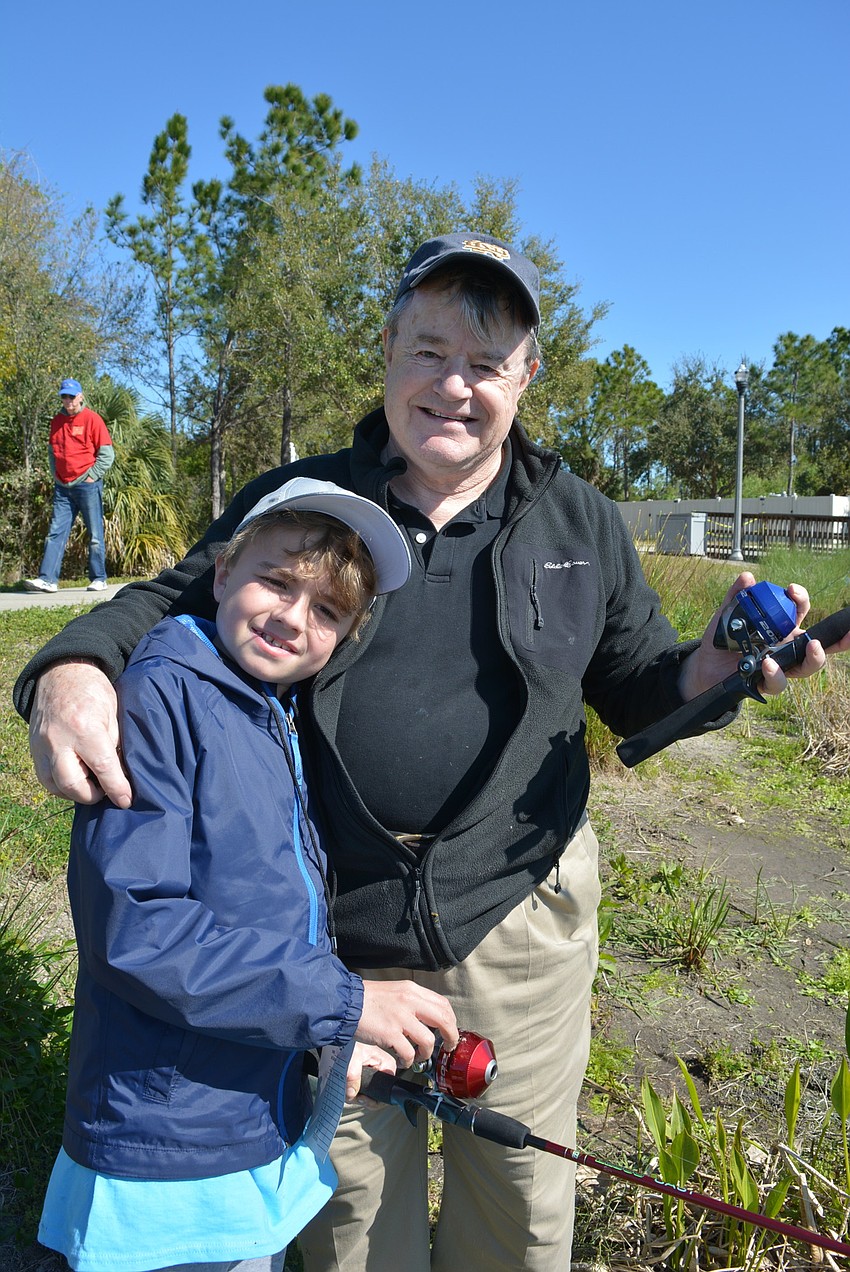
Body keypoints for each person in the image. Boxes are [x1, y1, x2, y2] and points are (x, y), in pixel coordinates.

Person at [14, 233, 850, 1271]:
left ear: (525, 378)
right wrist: (71, 670)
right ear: (387, 352)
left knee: (519, 1198)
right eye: (429, 352)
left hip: (519, 916)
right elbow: (160, 601)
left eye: (486, 364)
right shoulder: (309, 502)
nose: (454, 386)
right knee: (349, 1214)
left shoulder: (579, 516)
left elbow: (641, 686)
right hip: (327, 923)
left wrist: (722, 658)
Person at [36, 476, 458, 1272]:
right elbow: (139, 932)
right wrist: (346, 1003)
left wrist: (327, 1035)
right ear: (224, 572)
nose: (293, 618)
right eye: (277, 581)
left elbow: (265, 910)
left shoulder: (267, 708)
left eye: (328, 610)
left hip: (240, 1114)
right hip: (165, 1135)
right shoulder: (164, 699)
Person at [23, 378, 114, 594]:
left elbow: (107, 454)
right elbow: (51, 451)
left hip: (87, 485)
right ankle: (48, 580)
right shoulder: (56, 421)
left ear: (80, 396)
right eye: (64, 396)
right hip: (63, 487)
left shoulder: (92, 419)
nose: (68, 401)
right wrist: (56, 475)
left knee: (94, 534)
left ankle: (99, 578)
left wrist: (91, 476)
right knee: (55, 533)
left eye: (71, 396)